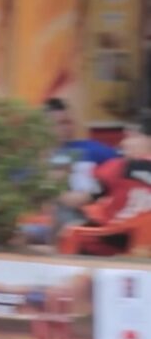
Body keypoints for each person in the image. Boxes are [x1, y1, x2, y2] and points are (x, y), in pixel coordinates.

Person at [58, 117, 151, 253]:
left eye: (132, 137)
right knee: (71, 230)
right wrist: (52, 193)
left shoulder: (126, 166)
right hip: (117, 234)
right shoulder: (117, 167)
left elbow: (141, 168)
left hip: (136, 234)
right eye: (125, 137)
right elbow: (88, 196)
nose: (124, 143)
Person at [44, 98, 119, 237]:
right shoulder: (35, 156)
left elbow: (125, 170)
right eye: (59, 124)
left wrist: (96, 193)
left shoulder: (91, 149)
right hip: (46, 219)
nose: (66, 128)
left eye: (68, 122)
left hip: (87, 214)